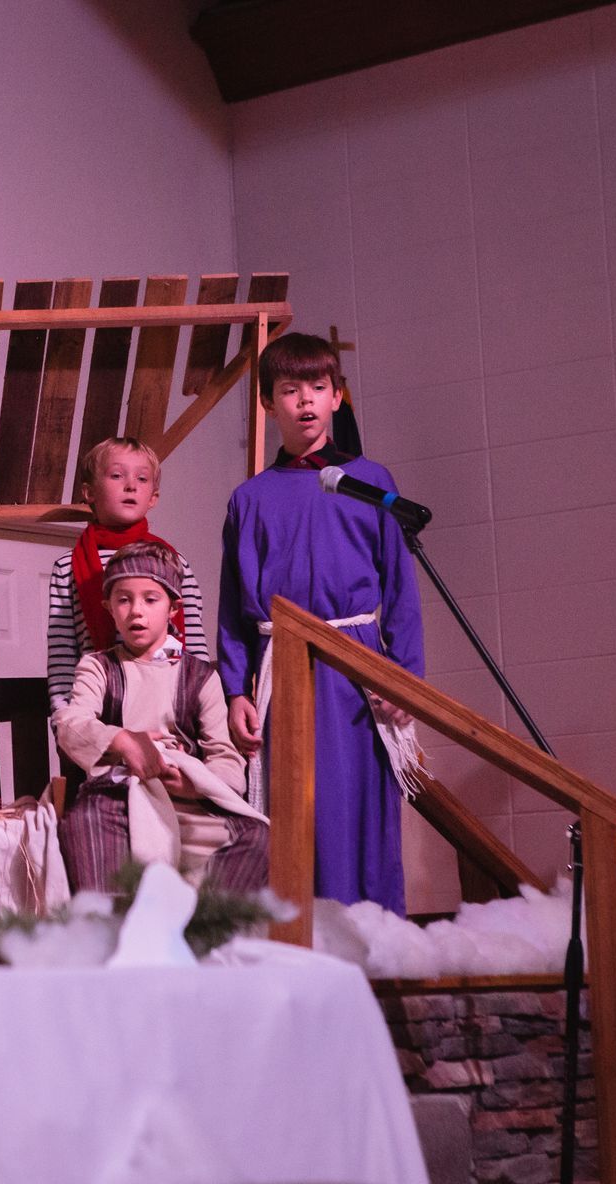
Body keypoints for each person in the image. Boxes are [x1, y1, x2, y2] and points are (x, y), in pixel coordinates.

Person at [218, 332, 424, 914]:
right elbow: (233, 606)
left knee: (360, 812)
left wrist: (405, 677)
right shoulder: (250, 499)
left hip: (356, 674)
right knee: (295, 813)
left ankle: (375, 952)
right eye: (290, 389)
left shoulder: (371, 483)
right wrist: (236, 689)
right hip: (283, 671)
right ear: (267, 402)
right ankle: (298, 945)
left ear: (337, 397)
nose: (305, 401)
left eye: (318, 387)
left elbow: (401, 591)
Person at [52, 543, 268, 892]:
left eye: (150, 599)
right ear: (108, 608)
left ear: (173, 608)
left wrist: (192, 785)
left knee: (257, 837)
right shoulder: (99, 668)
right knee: (83, 823)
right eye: (124, 600)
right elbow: (71, 723)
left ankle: (200, 934)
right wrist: (124, 742)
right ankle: (114, 935)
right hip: (117, 801)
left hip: (188, 805)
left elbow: (225, 757)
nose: (136, 611)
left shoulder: (199, 677)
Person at [46, 437, 209, 713]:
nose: (131, 485)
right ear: (89, 493)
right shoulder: (68, 568)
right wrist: (65, 718)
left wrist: (196, 711)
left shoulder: (174, 564)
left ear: (153, 498)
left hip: (167, 706)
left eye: (142, 479)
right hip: (100, 708)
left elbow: (192, 643)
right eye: (117, 475)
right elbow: (62, 654)